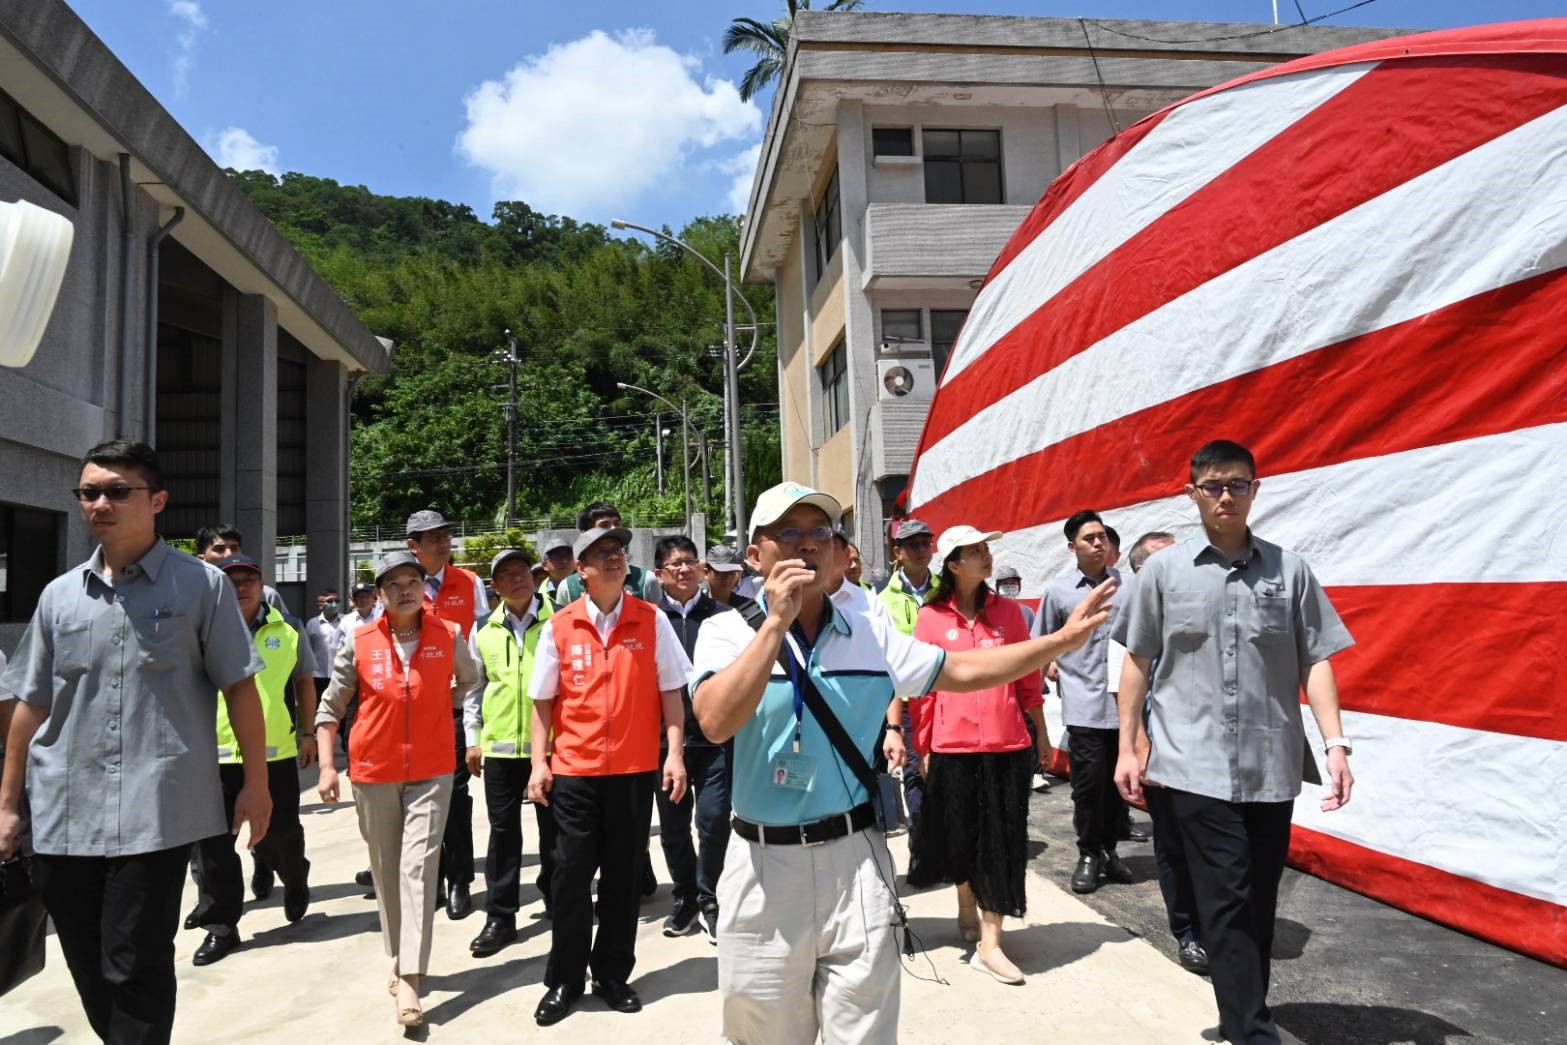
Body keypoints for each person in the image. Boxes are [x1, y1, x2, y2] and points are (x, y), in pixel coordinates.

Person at [691, 482, 1114, 1045]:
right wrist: (774, 623)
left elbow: (965, 671)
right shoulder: (725, 632)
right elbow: (716, 722)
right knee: (763, 1034)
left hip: (855, 860)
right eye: (788, 532)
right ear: (754, 555)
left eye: (821, 532)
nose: (807, 545)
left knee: (865, 1030)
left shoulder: (871, 633)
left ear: (839, 549)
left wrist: (1059, 641)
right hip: (764, 865)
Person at [0, 440, 271, 1044]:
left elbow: (240, 690)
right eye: (90, 492)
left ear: (158, 502)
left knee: (135, 961)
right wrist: (9, 803)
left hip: (158, 809)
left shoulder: (203, 586)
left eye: (118, 491)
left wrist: (257, 786)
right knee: (88, 963)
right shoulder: (59, 595)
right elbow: (30, 704)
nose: (100, 502)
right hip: (64, 810)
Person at [1115, 440, 1356, 1045]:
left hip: (1270, 764)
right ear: (1192, 492)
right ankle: (1253, 1030)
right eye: (1215, 485)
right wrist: (1128, 745)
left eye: (1239, 484)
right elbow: (1136, 663)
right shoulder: (1164, 574)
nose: (1227, 496)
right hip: (1190, 765)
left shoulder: (1290, 570)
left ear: (1255, 489)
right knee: (1224, 895)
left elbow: (1317, 660)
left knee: (1258, 900)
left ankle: (1238, 1012)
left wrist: (1337, 744)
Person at [525, 525, 692, 1026]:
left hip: (633, 771)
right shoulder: (560, 625)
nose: (615, 558)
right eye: (601, 554)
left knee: (623, 879)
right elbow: (542, 702)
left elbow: (671, 694)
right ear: (582, 570)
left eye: (618, 551)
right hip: (574, 772)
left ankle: (613, 974)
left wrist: (675, 754)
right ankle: (564, 979)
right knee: (570, 878)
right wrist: (539, 762)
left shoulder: (651, 619)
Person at [315, 550, 482, 1029]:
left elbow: (471, 681)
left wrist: (439, 709)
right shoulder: (360, 640)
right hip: (373, 770)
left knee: (418, 869)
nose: (406, 589)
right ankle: (398, 956)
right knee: (387, 872)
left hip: (432, 769)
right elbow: (332, 706)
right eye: (394, 584)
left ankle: (410, 978)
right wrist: (328, 767)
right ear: (381, 594)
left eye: (413, 580)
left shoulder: (447, 636)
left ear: (423, 588)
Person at [907, 526, 1049, 985]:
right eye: (976, 551)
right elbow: (922, 692)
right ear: (953, 564)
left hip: (1007, 745)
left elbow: (1029, 682)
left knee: (1003, 843)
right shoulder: (929, 618)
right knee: (961, 837)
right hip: (952, 746)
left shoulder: (1010, 614)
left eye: (987, 549)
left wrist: (1042, 737)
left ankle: (991, 941)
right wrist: (923, 747)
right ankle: (965, 900)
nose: (987, 557)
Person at [188, 555, 318, 965]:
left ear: (262, 586)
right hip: (215, 755)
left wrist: (309, 732)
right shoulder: (200, 630)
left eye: (250, 579)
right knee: (213, 846)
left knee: (280, 835)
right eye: (233, 580)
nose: (241, 586)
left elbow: (304, 682)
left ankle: (295, 876)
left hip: (274, 752)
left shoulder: (290, 629)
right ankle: (221, 926)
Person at [1112, 529, 1207, 974]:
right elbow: (1125, 689)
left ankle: (1220, 925)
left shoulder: (1203, 601)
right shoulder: (1134, 611)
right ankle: (1189, 932)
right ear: (1141, 570)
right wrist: (1137, 748)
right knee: (1175, 845)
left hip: (1210, 748)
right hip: (1163, 750)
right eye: (1164, 561)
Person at [1032, 510, 1132, 894]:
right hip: (1085, 705)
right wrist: (1035, 700)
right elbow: (1041, 643)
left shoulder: (1133, 586)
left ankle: (1110, 851)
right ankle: (1089, 853)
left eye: (1103, 535)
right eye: (1089, 537)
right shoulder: (1059, 592)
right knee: (1088, 787)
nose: (1098, 542)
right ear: (1072, 546)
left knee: (1116, 787)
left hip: (1127, 706)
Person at [464, 548, 556, 957]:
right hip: (500, 748)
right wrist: (473, 738)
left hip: (552, 746)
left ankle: (558, 896)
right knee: (503, 834)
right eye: (507, 574)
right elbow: (474, 688)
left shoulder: (561, 621)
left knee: (556, 830)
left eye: (523, 571)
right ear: (495, 586)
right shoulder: (483, 628)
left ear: (534, 579)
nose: (517, 578)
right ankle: (501, 916)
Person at [405, 508, 488, 920]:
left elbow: (484, 642)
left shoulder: (469, 583)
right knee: (419, 797)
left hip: (454, 706)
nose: (441, 541)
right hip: (410, 709)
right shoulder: (402, 584)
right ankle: (430, 877)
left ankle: (460, 879)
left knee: (455, 795)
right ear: (412, 546)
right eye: (430, 536)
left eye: (444, 534)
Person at [650, 535, 734, 943]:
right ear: (659, 574)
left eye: (690, 562)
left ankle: (711, 898)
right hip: (666, 745)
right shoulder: (649, 620)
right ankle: (684, 898)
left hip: (715, 738)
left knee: (715, 821)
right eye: (674, 564)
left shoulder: (723, 617)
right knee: (674, 828)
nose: (684, 569)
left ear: (702, 569)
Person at [878, 518, 937, 831]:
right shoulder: (882, 601)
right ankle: (923, 851)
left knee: (948, 773)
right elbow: (885, 664)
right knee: (915, 774)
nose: (921, 550)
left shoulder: (945, 591)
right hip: (909, 702)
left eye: (925, 543)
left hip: (945, 697)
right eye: (912, 545)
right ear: (897, 552)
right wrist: (894, 724)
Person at [550, 501, 662, 607]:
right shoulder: (568, 588)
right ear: (585, 534)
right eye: (604, 525)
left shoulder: (646, 581)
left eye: (617, 524)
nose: (613, 529)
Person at [195, 523, 286, 614]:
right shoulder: (190, 596)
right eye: (219, 549)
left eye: (234, 548)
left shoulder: (267, 595)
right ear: (201, 559)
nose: (229, 554)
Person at [305, 588, 345, 709]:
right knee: (319, 707)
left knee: (341, 708)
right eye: (330, 601)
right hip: (318, 676)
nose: (334, 604)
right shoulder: (313, 624)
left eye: (337, 600)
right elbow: (308, 651)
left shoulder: (346, 621)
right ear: (321, 605)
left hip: (340, 674)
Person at [703, 544, 756, 614]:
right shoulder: (693, 608)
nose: (727, 577)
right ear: (706, 573)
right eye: (720, 572)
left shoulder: (748, 607)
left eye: (731, 572)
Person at [538, 535, 576, 606]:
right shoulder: (537, 596)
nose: (564, 561)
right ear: (544, 565)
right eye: (557, 557)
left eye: (568, 556)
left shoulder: (587, 586)